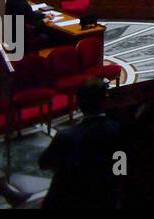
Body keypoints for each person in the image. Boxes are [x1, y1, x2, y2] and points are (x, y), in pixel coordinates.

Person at [39, 78, 124, 209]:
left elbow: (44, 163)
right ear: (105, 101)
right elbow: (120, 171)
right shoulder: (119, 131)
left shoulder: (66, 137)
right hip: (106, 199)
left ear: (78, 103)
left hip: (71, 201)